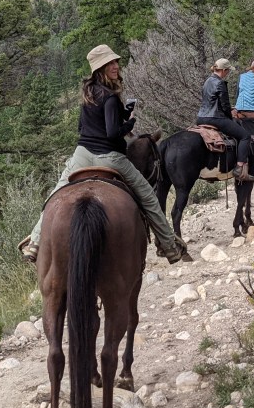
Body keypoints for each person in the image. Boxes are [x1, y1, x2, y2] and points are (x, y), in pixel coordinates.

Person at [18, 44, 183, 265]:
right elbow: (112, 132)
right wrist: (130, 122)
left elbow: (83, 126)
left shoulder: (88, 93)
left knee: (56, 193)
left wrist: (120, 114)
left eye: (115, 62)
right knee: (148, 196)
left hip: (82, 154)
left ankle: (35, 242)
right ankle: (169, 246)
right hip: (110, 157)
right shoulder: (111, 97)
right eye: (110, 64)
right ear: (101, 68)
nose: (115, 66)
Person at [196, 58, 254, 183]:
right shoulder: (220, 83)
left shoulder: (207, 81)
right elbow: (224, 105)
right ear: (222, 70)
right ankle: (239, 167)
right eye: (227, 70)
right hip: (215, 118)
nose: (228, 72)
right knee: (244, 136)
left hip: (201, 117)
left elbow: (209, 101)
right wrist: (231, 114)